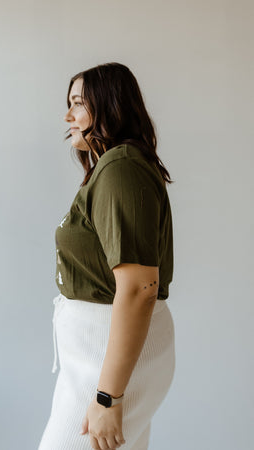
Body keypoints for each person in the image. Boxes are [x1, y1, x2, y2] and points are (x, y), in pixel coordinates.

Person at [38, 62, 176, 450]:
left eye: (78, 103)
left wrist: (107, 398)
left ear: (110, 107)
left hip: (107, 356)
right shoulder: (115, 167)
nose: (68, 116)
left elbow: (139, 288)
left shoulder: (121, 168)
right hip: (100, 352)